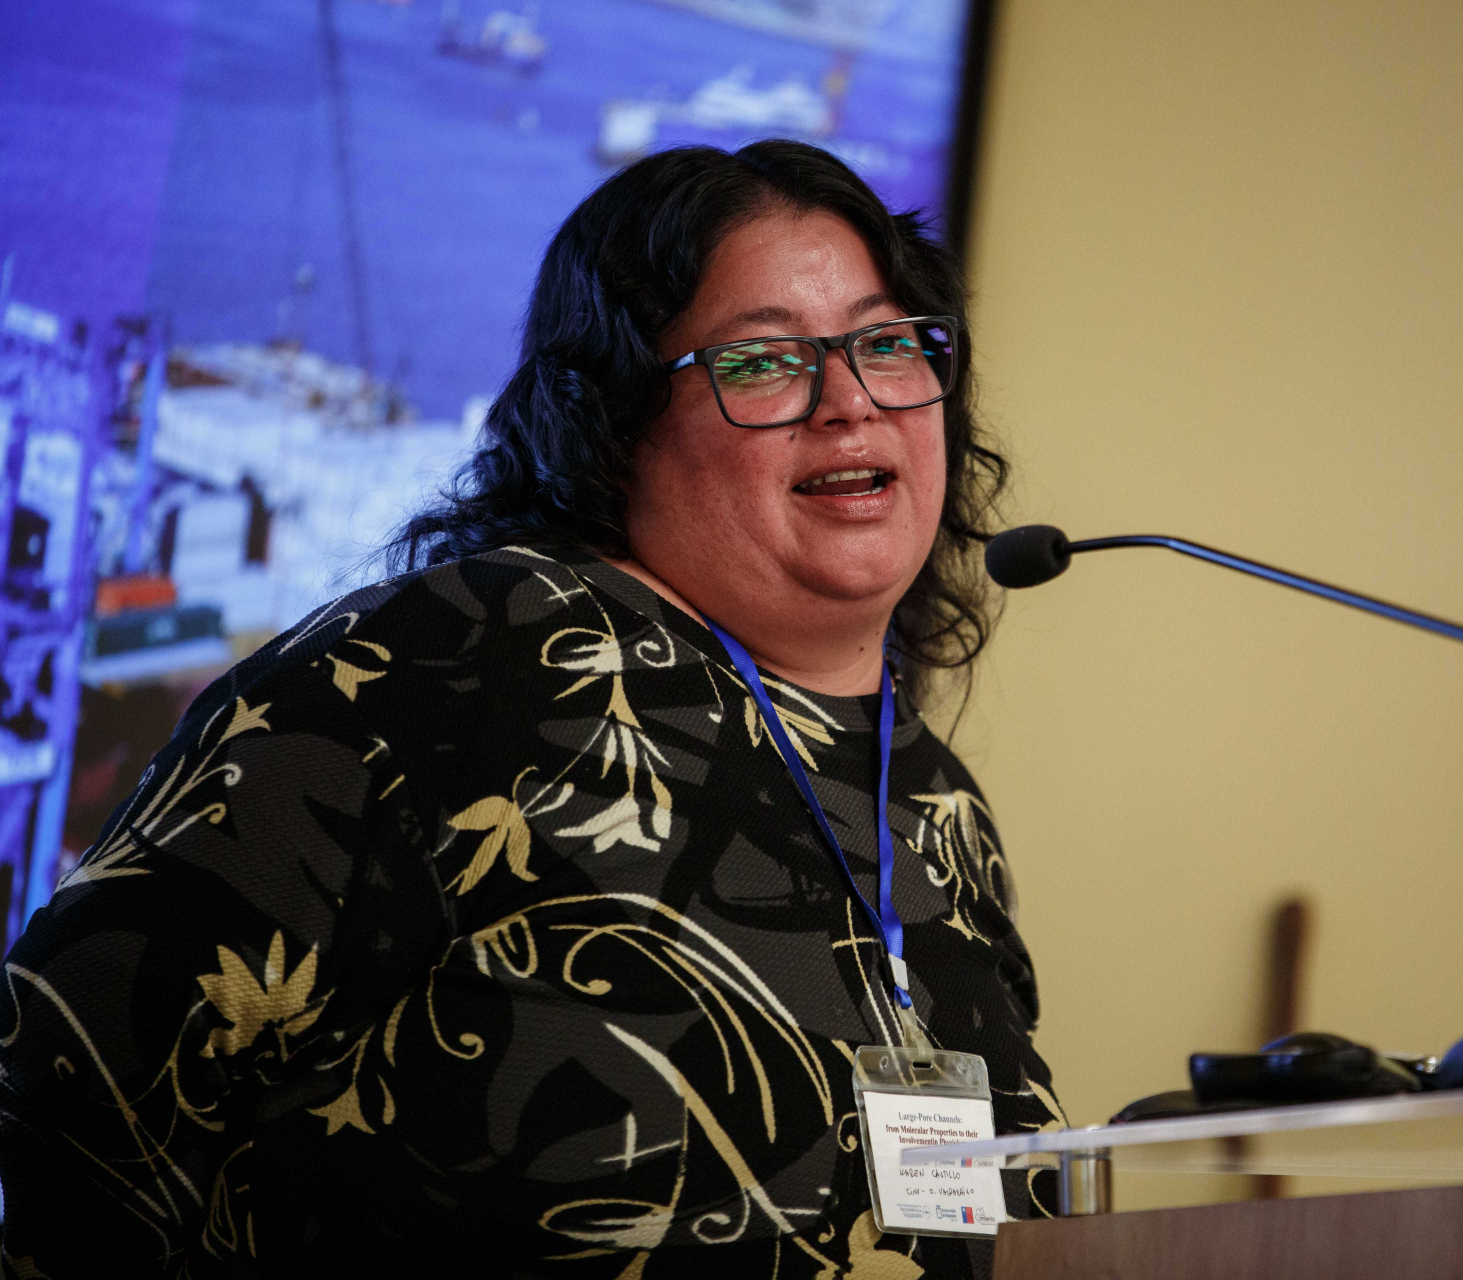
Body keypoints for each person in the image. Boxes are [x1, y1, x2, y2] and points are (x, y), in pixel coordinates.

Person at [0, 141, 1063, 1277]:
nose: (850, 400)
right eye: (762, 359)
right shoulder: (455, 663)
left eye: (888, 342)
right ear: (612, 423)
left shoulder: (942, 804)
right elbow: (62, 1086)